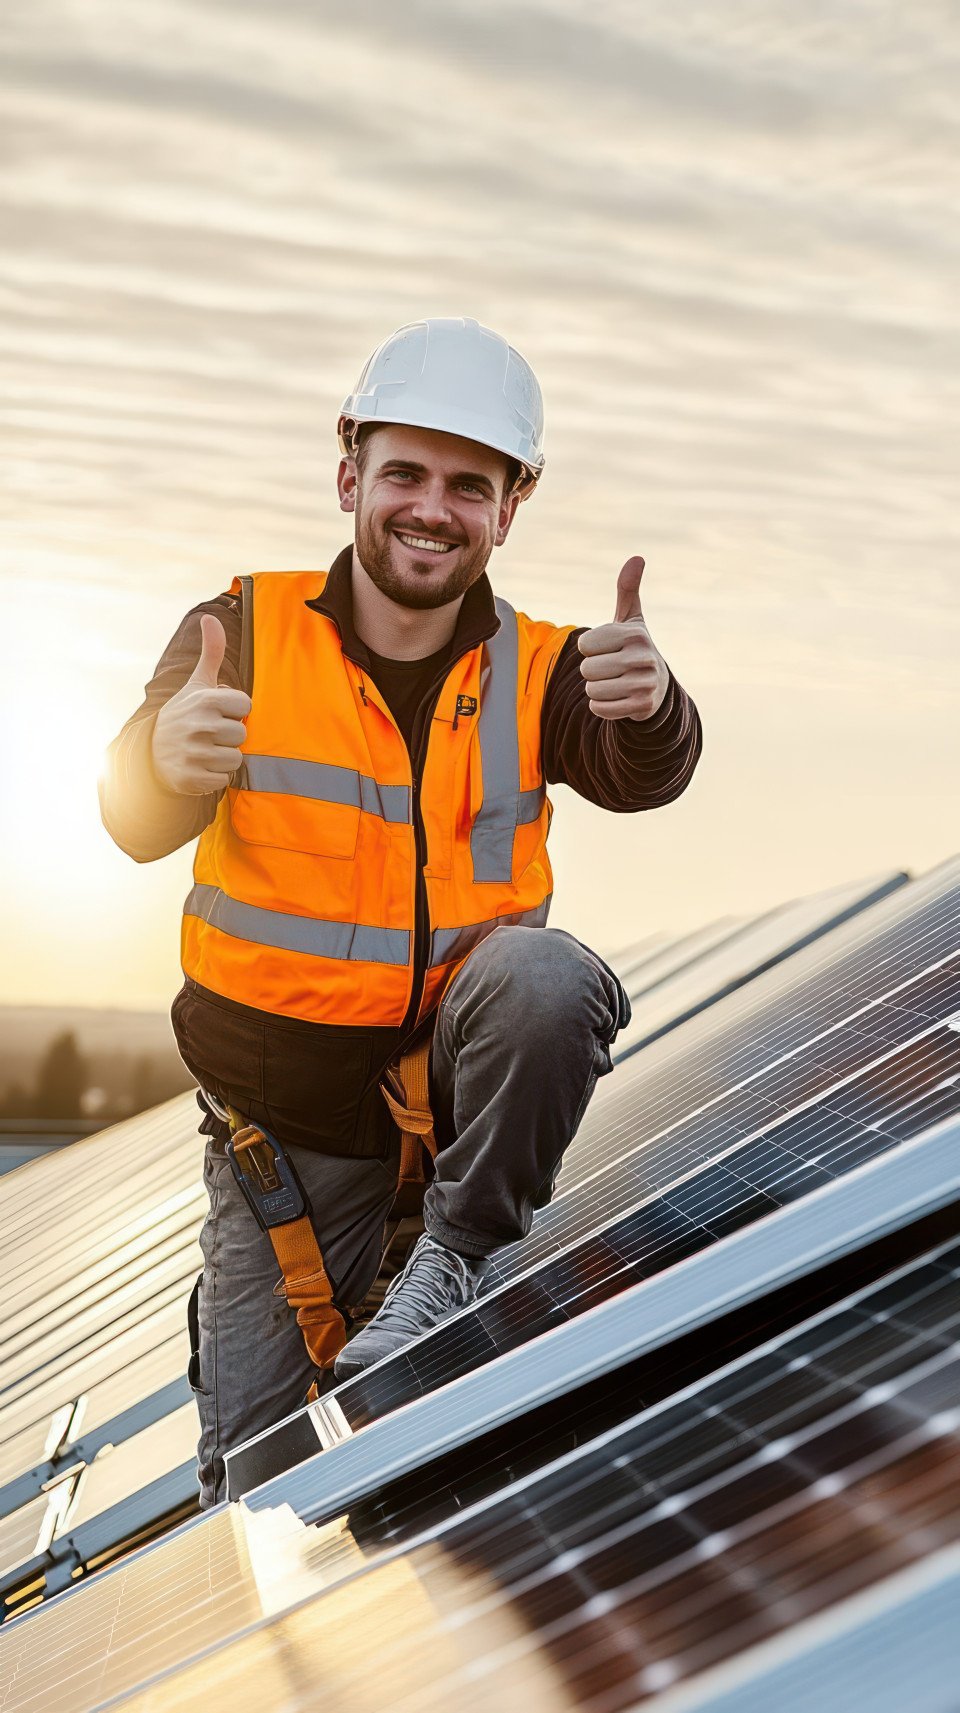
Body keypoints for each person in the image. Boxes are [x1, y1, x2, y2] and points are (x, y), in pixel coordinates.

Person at [99, 316, 703, 1507]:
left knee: (545, 978)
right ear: (349, 477)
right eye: (406, 474)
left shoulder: (547, 668)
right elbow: (134, 817)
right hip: (283, 1146)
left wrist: (656, 706)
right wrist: (165, 758)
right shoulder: (244, 632)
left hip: (456, 1138)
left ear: (508, 509)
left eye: (468, 485)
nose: (432, 508)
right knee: (256, 1496)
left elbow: (642, 771)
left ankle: (456, 1264)